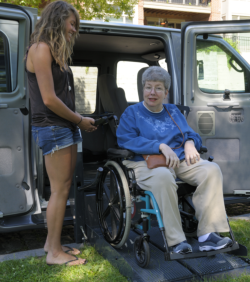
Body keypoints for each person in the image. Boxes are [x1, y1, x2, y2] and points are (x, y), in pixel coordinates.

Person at [117, 66, 232, 254]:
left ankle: (207, 235)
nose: (152, 92)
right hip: (145, 162)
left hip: (178, 161)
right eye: (148, 87)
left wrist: (189, 143)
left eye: (158, 88)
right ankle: (176, 241)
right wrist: (159, 146)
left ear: (166, 92)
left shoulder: (173, 111)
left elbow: (191, 133)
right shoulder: (132, 113)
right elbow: (126, 139)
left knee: (211, 170)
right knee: (163, 176)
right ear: (143, 89)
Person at [26, 1, 97, 266]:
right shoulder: (41, 49)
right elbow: (49, 100)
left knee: (63, 188)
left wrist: (76, 123)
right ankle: (54, 254)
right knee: (59, 190)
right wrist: (80, 120)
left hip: (63, 127)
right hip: (53, 127)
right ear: (57, 20)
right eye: (71, 23)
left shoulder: (54, 52)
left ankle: (50, 244)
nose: (74, 29)